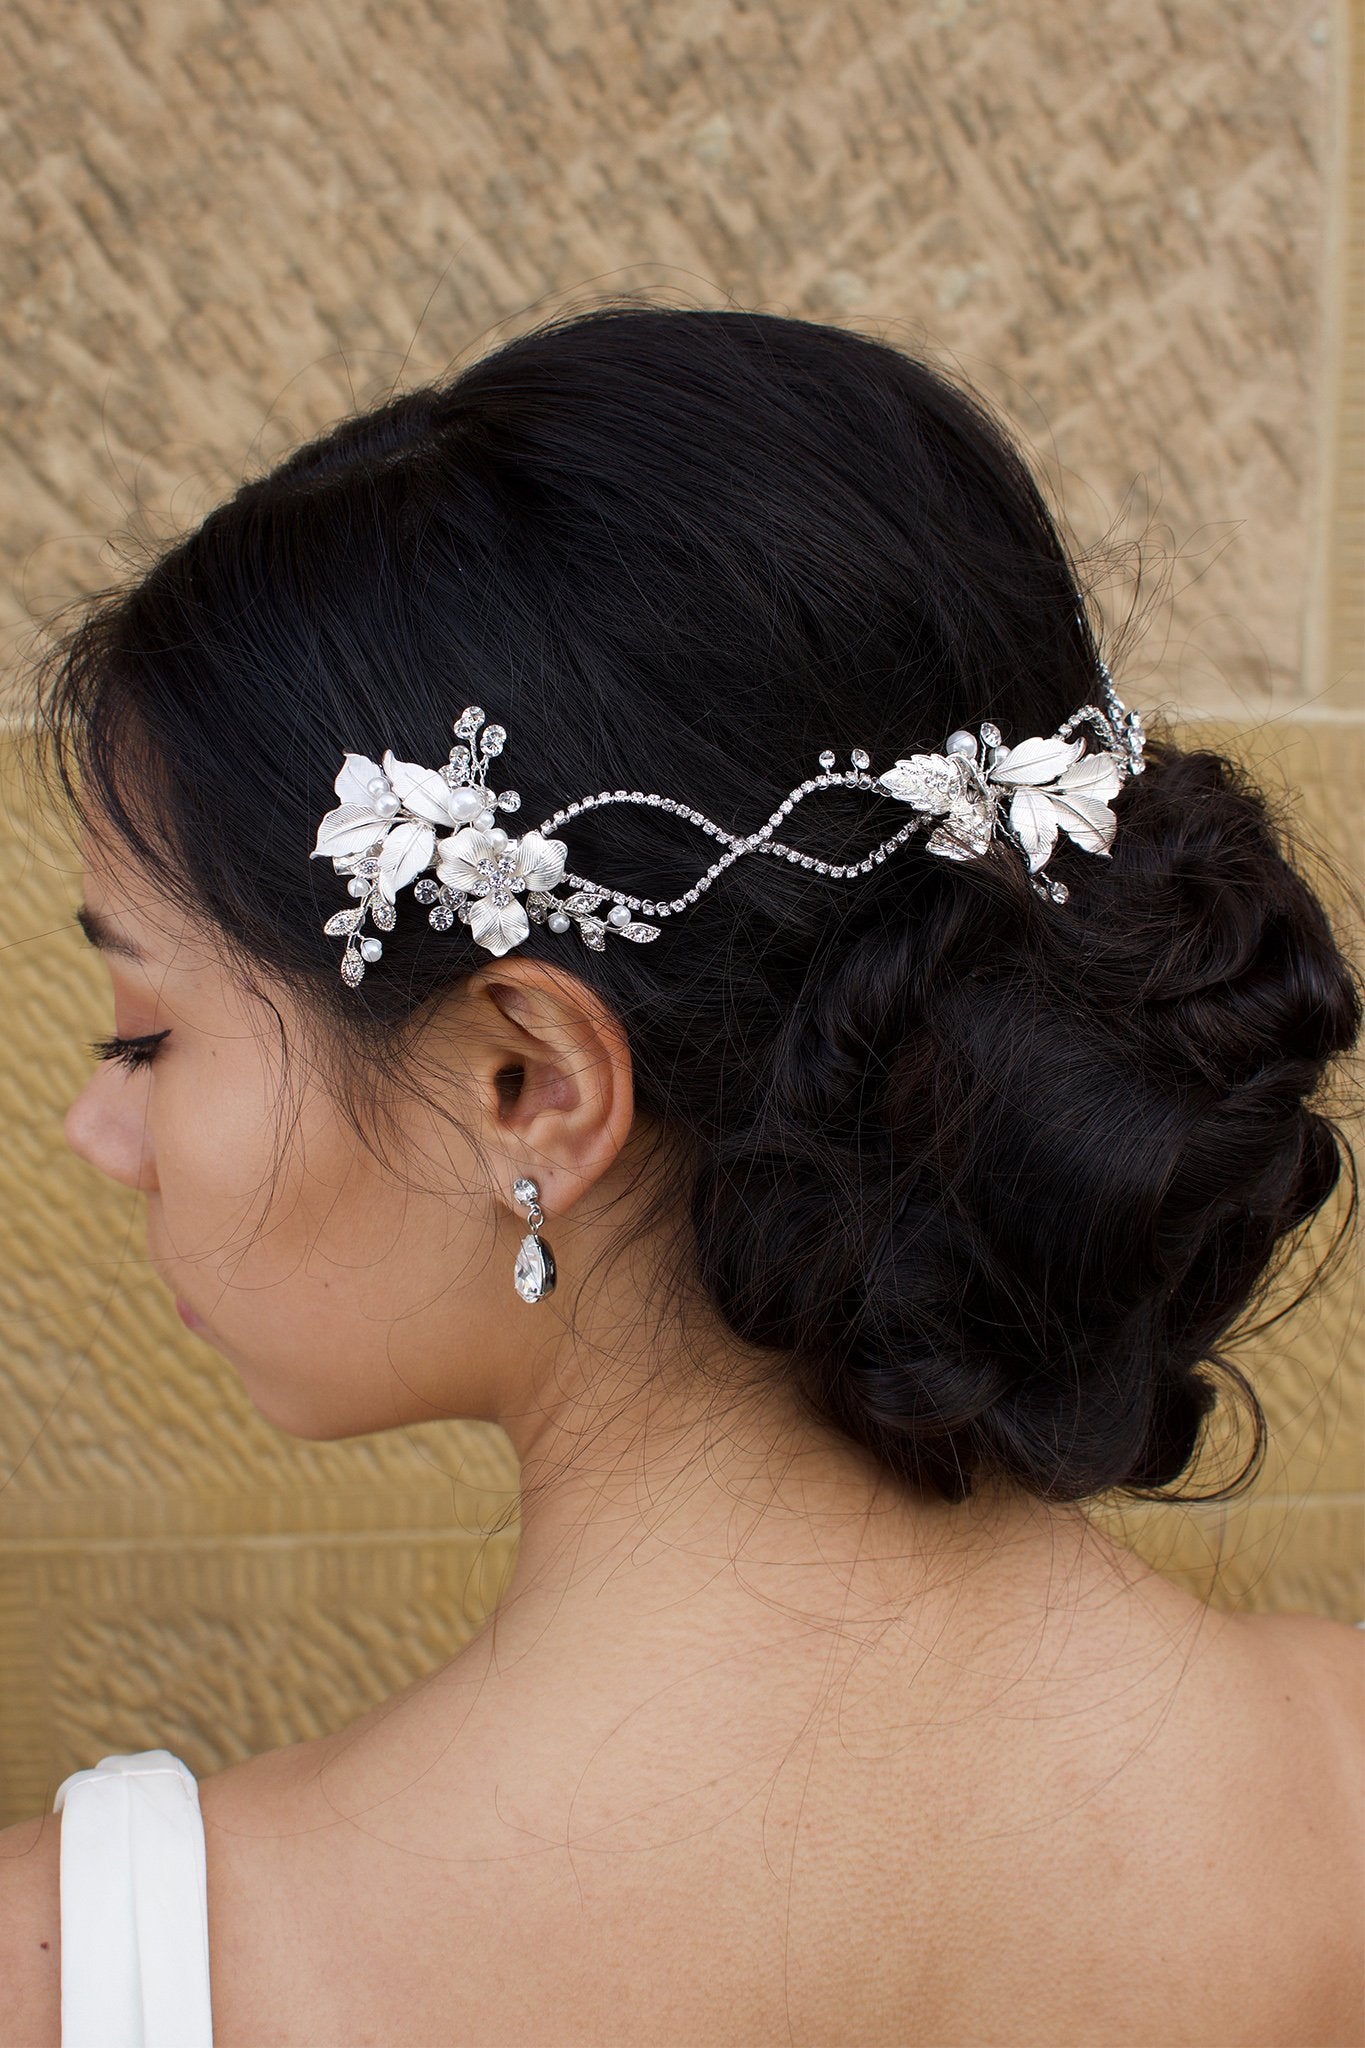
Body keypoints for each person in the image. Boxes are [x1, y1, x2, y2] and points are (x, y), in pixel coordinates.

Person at [1, 305, 1361, 2046]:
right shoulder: (1340, 1786)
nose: (96, 1134)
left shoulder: (94, 1973)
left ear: (529, 1082)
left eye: (143, 1036)